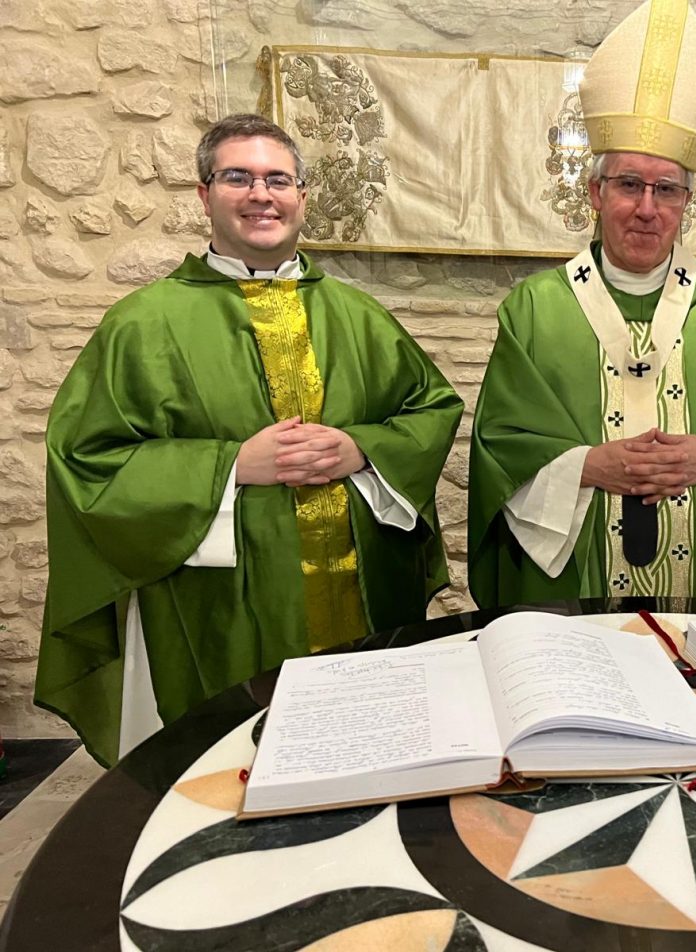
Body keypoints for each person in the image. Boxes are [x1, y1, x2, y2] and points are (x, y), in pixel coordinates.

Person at [36, 114, 463, 765]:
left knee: (365, 756)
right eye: (239, 177)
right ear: (205, 194)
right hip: (217, 609)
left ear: (302, 196)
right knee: (226, 767)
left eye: (278, 179)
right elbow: (87, 461)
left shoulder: (359, 316)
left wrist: (361, 449)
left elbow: (430, 410)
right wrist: (229, 465)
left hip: (360, 592)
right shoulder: (143, 324)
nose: (262, 195)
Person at [468, 0, 696, 607]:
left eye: (667, 189)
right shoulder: (535, 309)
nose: (647, 208)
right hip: (574, 582)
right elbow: (503, 441)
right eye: (629, 184)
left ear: (686, 201)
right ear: (596, 191)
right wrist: (587, 467)